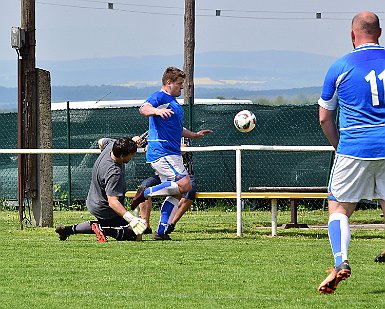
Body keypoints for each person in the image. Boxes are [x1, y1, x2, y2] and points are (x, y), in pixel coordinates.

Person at [317, 11, 385, 293]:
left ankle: (341, 261)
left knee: (339, 208)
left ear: (352, 34)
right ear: (379, 33)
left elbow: (324, 118)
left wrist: (339, 147)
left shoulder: (340, 66)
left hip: (355, 146)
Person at [130, 66, 212, 240]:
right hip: (162, 152)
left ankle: (161, 232)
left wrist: (194, 135)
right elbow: (143, 109)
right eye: (179, 84)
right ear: (169, 83)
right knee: (186, 185)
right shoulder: (160, 97)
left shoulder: (173, 103)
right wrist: (157, 110)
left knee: (177, 192)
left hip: (171, 152)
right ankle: (145, 193)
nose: (182, 87)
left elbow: (176, 128)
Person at [55, 137, 147, 242]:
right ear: (121, 156)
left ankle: (67, 230)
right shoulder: (114, 172)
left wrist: (133, 143)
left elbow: (101, 141)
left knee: (103, 224)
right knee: (134, 233)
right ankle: (104, 230)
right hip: (105, 208)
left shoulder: (112, 146)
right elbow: (112, 202)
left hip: (93, 200)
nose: (132, 157)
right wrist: (132, 219)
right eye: (131, 154)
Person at [133, 131, 198, 236]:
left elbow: (182, 148)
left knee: (189, 190)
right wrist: (135, 140)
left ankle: (169, 225)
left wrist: (152, 147)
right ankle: (145, 225)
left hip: (184, 174)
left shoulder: (179, 129)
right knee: (144, 185)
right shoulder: (153, 131)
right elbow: (136, 143)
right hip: (162, 174)